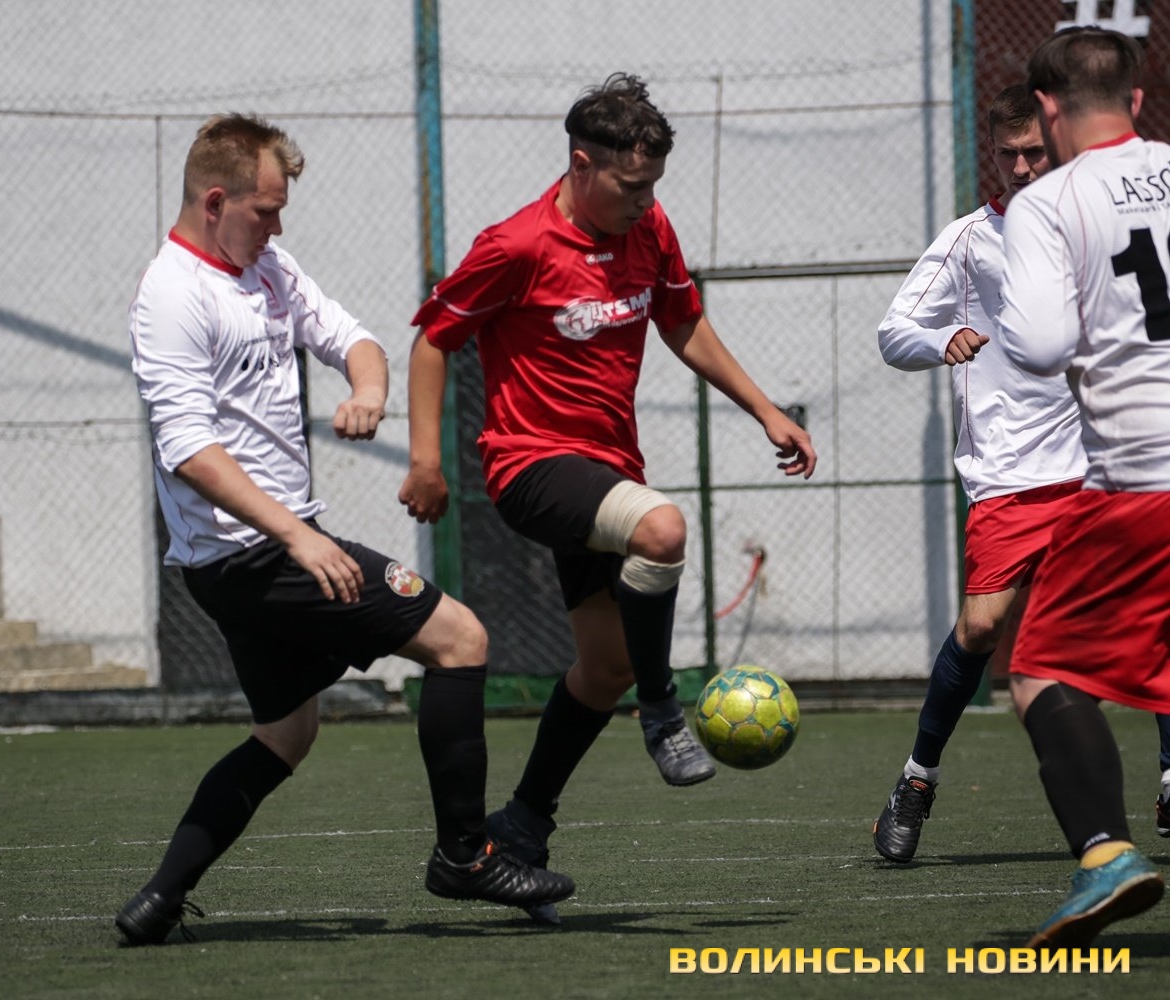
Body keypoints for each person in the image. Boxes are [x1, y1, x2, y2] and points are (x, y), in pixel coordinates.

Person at [117, 113, 574, 946]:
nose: (277, 227)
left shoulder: (266, 267)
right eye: (265, 211)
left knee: (286, 734)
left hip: (248, 561)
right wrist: (299, 537)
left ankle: (158, 899)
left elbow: (352, 337)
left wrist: (368, 390)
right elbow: (187, 449)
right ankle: (465, 856)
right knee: (460, 639)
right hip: (256, 557)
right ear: (214, 202)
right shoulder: (172, 295)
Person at [400, 74, 816, 924]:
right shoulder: (515, 245)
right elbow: (434, 339)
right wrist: (426, 462)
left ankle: (520, 828)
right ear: (581, 165)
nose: (645, 201)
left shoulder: (648, 229)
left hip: (605, 470)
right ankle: (662, 710)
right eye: (631, 185)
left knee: (603, 668)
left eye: (653, 184)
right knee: (661, 529)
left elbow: (683, 324)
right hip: (527, 467)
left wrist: (766, 410)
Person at [870, 85, 1085, 863]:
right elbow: (894, 331)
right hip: (1008, 472)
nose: (1022, 168)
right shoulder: (969, 241)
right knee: (984, 627)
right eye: (1008, 155)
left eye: (1034, 153)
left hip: (1100, 465)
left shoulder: (1094, 228)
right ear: (991, 154)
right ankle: (916, 779)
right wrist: (942, 342)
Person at [996, 26, 1170, 947]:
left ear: (1048, 108)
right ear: (1136, 100)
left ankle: (1106, 856)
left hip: (1140, 479)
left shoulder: (1049, 202)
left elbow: (1040, 345)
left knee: (1042, 667)